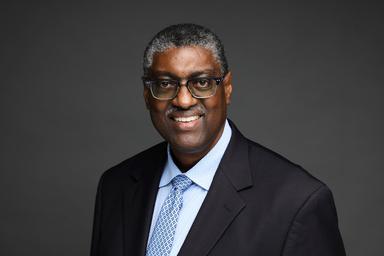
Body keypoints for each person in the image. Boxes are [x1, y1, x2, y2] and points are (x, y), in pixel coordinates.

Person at [90, 23, 346, 256]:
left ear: (227, 88)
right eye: (165, 84)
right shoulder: (116, 185)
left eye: (201, 82)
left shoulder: (297, 201)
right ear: (147, 95)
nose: (183, 100)